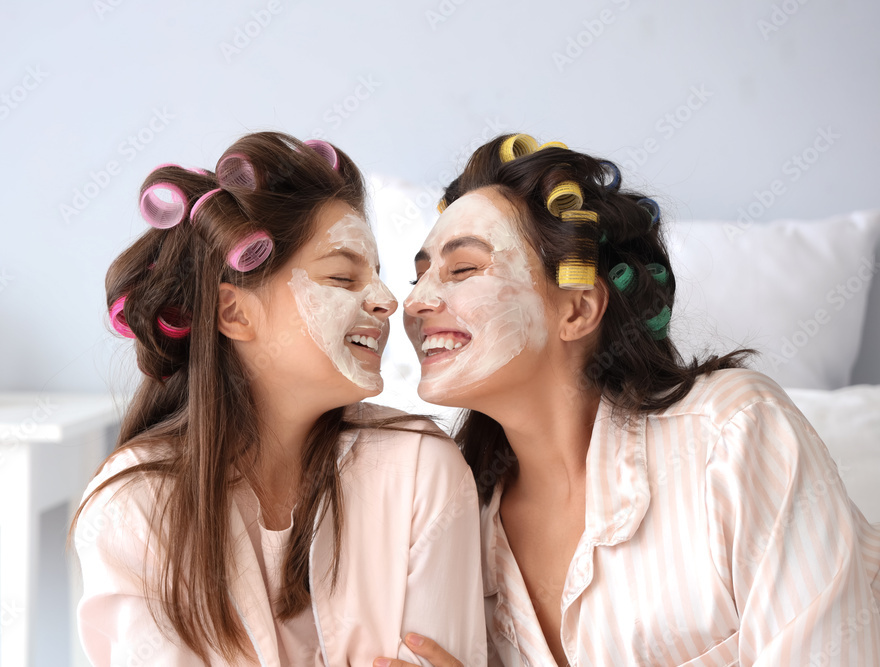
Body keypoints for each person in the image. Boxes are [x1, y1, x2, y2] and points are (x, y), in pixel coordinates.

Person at [376, 134, 880, 666]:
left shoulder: (734, 436)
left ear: (577, 309)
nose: (414, 301)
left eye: (463, 270)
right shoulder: (451, 520)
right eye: (418, 275)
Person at [69, 131, 486, 666]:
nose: (388, 301)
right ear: (235, 313)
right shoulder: (135, 506)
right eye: (342, 277)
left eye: (380, 276)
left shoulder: (419, 469)